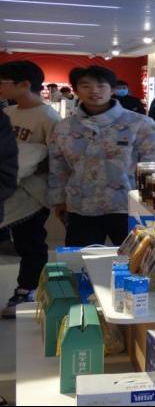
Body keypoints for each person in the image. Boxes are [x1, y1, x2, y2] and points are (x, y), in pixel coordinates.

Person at [49, 66, 155, 247]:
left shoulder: (140, 124)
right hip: (81, 206)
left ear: (112, 89)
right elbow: (58, 166)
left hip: (129, 207)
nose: (94, 91)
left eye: (101, 86)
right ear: (76, 90)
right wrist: (58, 200)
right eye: (86, 86)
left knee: (136, 260)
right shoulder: (64, 127)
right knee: (83, 259)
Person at [0, 61, 61, 319]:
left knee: (30, 242)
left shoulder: (49, 117)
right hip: (6, 190)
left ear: (24, 84)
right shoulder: (8, 112)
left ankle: (26, 289)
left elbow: (57, 158)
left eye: (3, 82)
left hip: (32, 194)